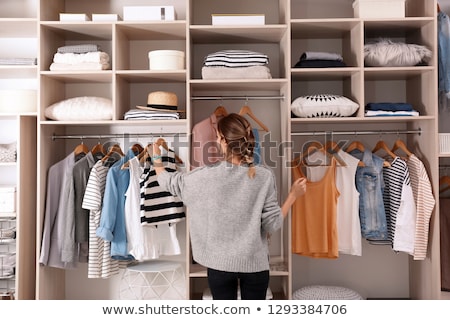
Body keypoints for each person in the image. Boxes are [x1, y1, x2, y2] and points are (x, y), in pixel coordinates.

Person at [152, 112, 306, 300]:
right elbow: (272, 224)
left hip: (219, 266)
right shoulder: (265, 176)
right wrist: (292, 196)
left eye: (217, 136)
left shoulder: (203, 176)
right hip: (255, 265)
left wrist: (157, 160)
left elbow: (169, 182)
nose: (216, 140)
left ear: (223, 140)